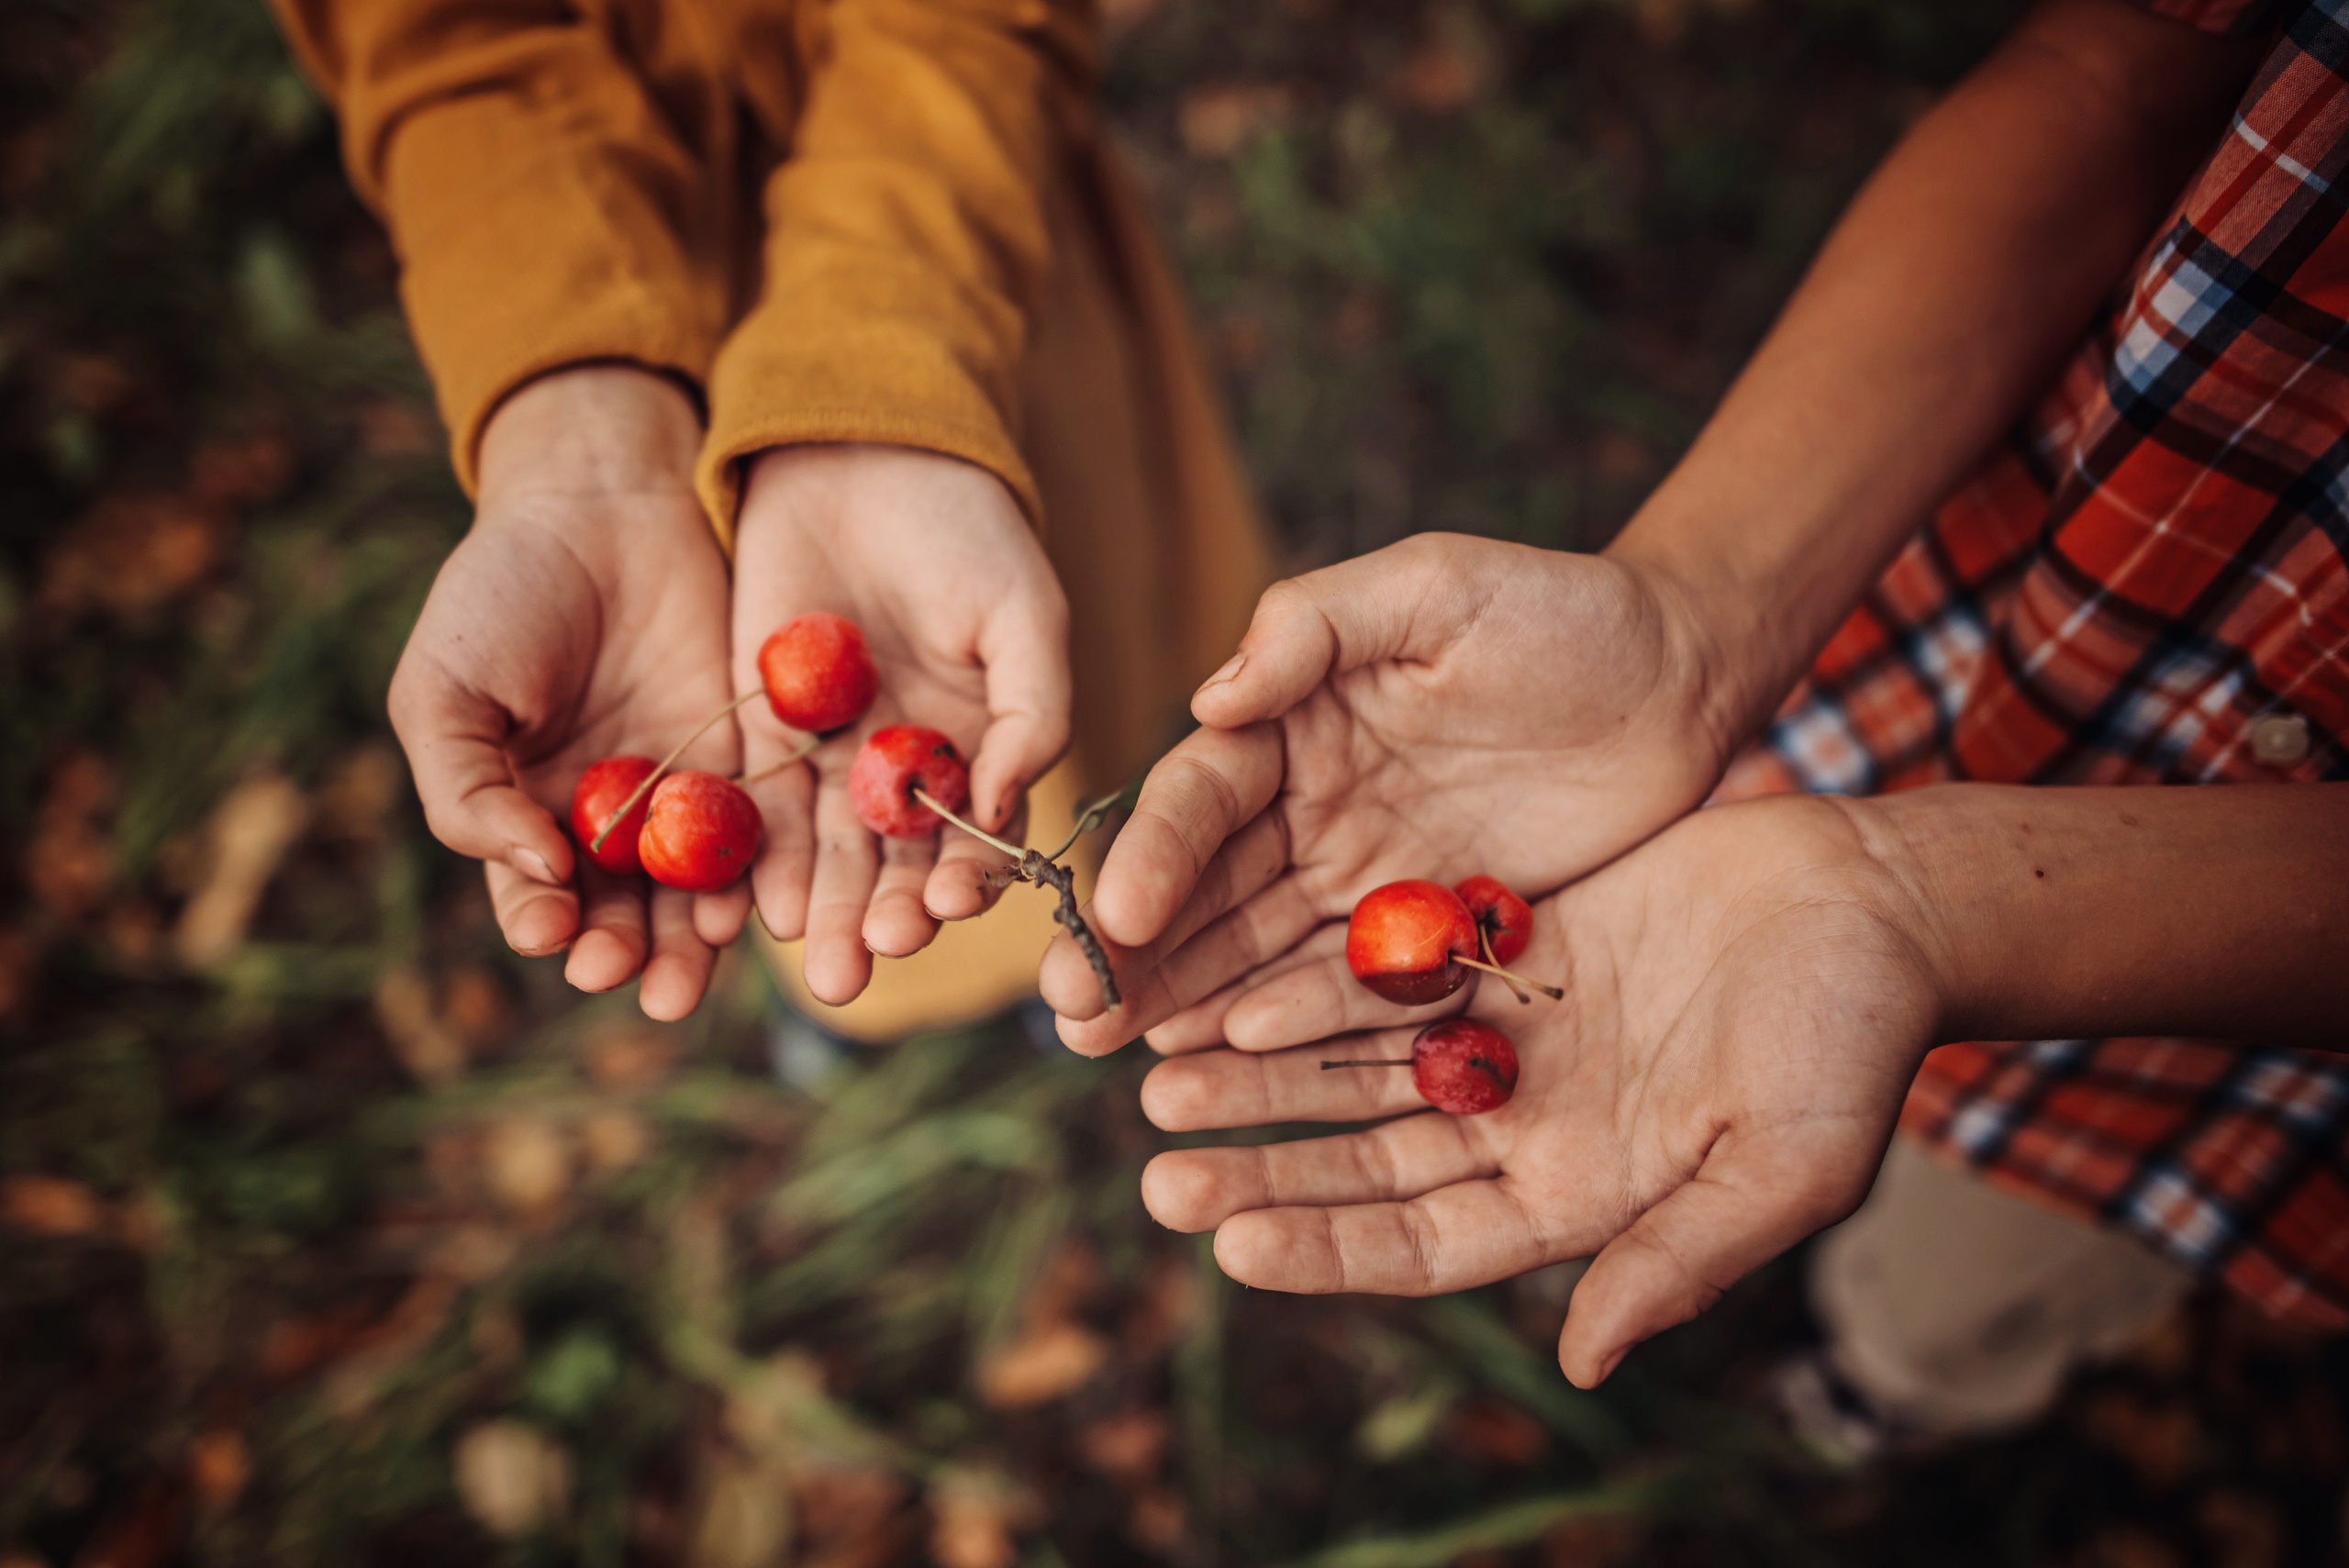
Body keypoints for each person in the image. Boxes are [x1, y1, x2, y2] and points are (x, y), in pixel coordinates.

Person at [1042, 0, 2349, 1408]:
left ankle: (1899, 1383)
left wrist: (1925, 908)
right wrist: (1693, 619)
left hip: (2260, 1045)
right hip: (2032, 582)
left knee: (1989, 1265)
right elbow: (2117, 68)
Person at [269, 0, 1269, 1031]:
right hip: (635, 291)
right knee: (816, 805)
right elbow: (437, 47)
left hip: (940, 252)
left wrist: (883, 387)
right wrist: (575, 412)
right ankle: (931, 984)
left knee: (1052, 661)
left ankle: (1040, 944)